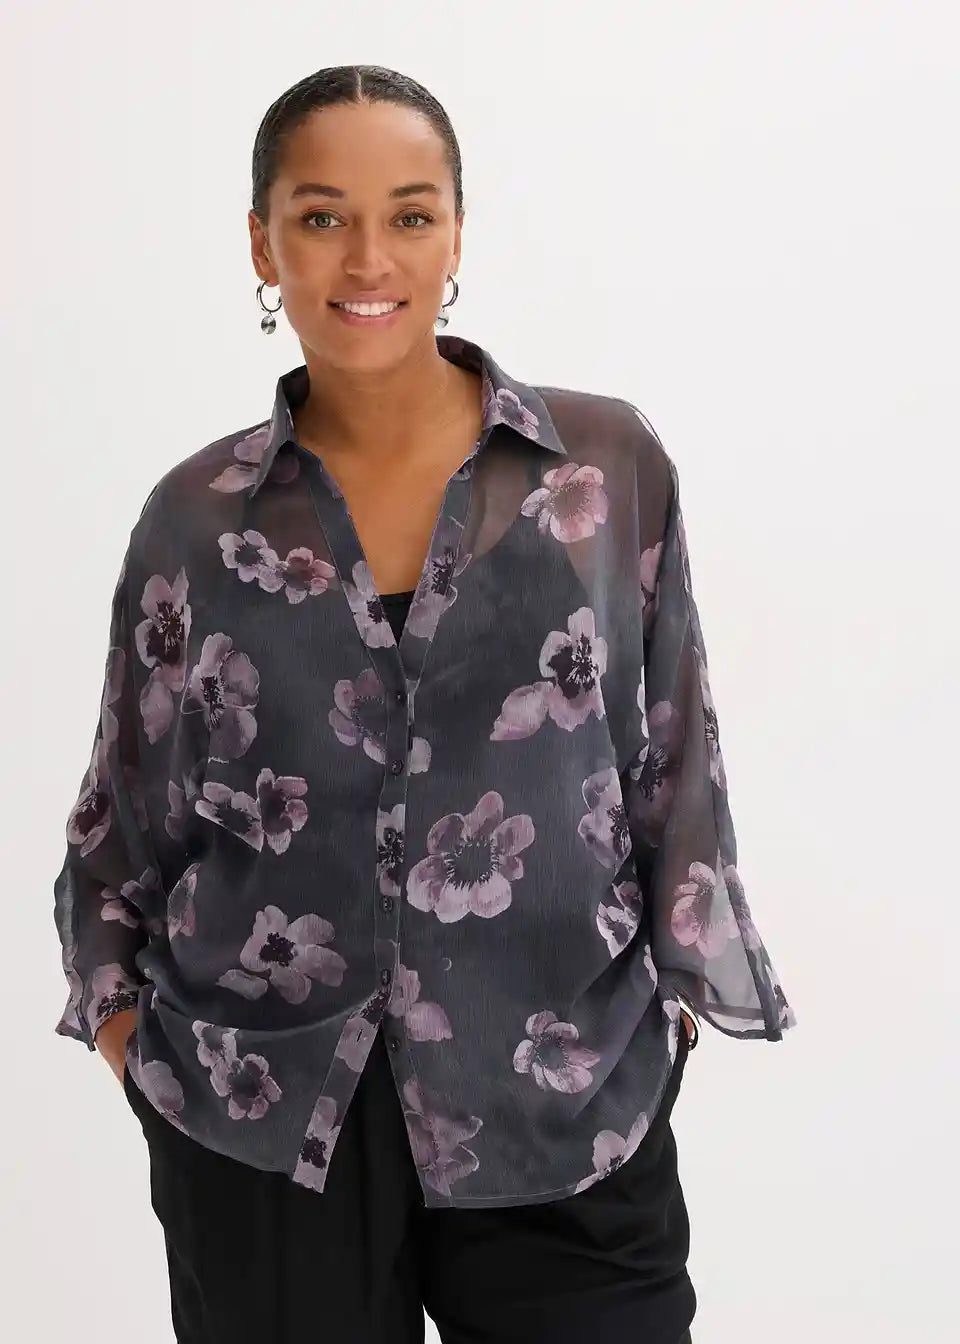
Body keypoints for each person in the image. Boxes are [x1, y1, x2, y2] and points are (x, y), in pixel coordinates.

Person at [52, 63, 796, 1344]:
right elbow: (126, 812)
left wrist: (668, 1009)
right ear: (263, 245)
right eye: (321, 215)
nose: (367, 257)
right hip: (267, 1117)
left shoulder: (601, 471)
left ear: (457, 234)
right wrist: (128, 1030)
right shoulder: (196, 521)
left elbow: (675, 754)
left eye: (408, 213)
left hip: (562, 1098)